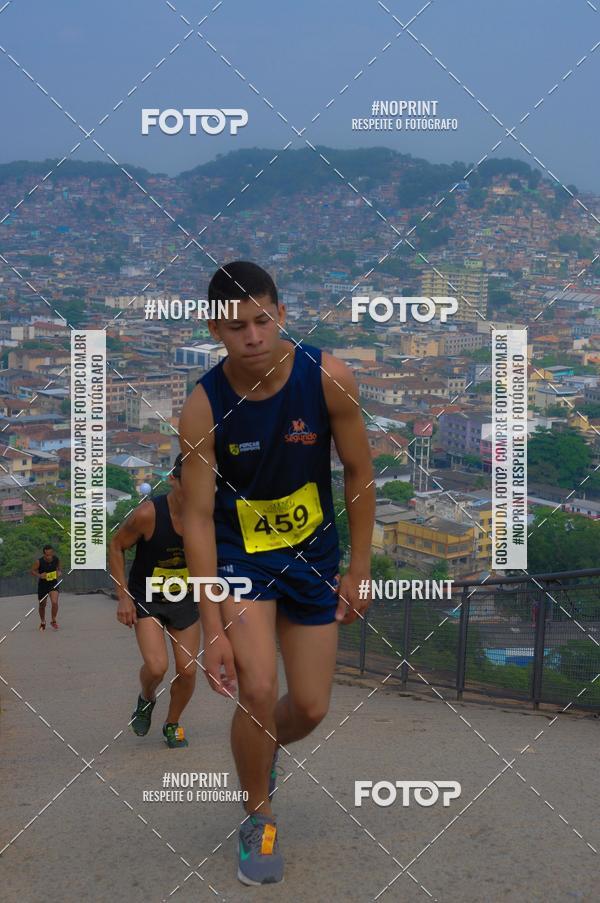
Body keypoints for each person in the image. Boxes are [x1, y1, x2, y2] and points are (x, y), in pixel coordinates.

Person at [179, 261, 375, 885]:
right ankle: (257, 816)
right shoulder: (203, 407)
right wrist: (212, 626)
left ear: (282, 314)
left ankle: (257, 753)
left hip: (313, 558)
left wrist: (360, 568)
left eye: (263, 321)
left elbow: (358, 471)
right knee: (259, 688)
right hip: (242, 559)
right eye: (237, 327)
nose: (254, 337)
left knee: (311, 707)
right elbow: (197, 520)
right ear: (215, 330)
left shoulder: (328, 378)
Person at [109, 454, 201, 749]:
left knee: (188, 670)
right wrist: (123, 596)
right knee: (158, 666)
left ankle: (172, 723)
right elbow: (116, 545)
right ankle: (146, 698)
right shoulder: (148, 514)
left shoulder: (207, 517)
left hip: (184, 597)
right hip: (147, 597)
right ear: (173, 479)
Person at [31, 545, 62, 631]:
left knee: (54, 602)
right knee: (42, 605)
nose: (49, 557)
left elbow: (59, 569)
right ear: (44, 554)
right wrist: (39, 575)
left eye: (50, 554)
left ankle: (53, 620)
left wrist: (59, 572)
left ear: (52, 553)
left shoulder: (56, 559)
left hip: (53, 583)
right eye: (47, 555)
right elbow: (32, 571)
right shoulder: (39, 562)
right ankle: (43, 622)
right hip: (43, 585)